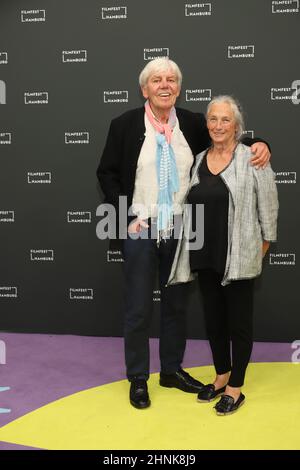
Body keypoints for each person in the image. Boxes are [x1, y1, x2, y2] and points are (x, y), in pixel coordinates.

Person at [97, 59, 271, 410]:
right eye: (157, 80)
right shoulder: (124, 125)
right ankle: (138, 378)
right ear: (144, 89)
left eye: (172, 80)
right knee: (138, 308)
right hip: (140, 227)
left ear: (178, 87)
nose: (165, 85)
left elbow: (228, 136)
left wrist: (262, 144)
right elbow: (107, 173)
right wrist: (127, 215)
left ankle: (171, 371)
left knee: (176, 305)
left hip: (183, 229)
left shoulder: (192, 122)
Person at [168, 95, 278, 415]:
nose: (218, 125)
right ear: (207, 123)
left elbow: (267, 204)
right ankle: (221, 375)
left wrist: (264, 244)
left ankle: (236, 387)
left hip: (240, 254)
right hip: (204, 252)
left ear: (236, 126)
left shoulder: (252, 157)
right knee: (214, 320)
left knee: (238, 322)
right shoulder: (199, 158)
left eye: (225, 120)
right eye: (212, 119)